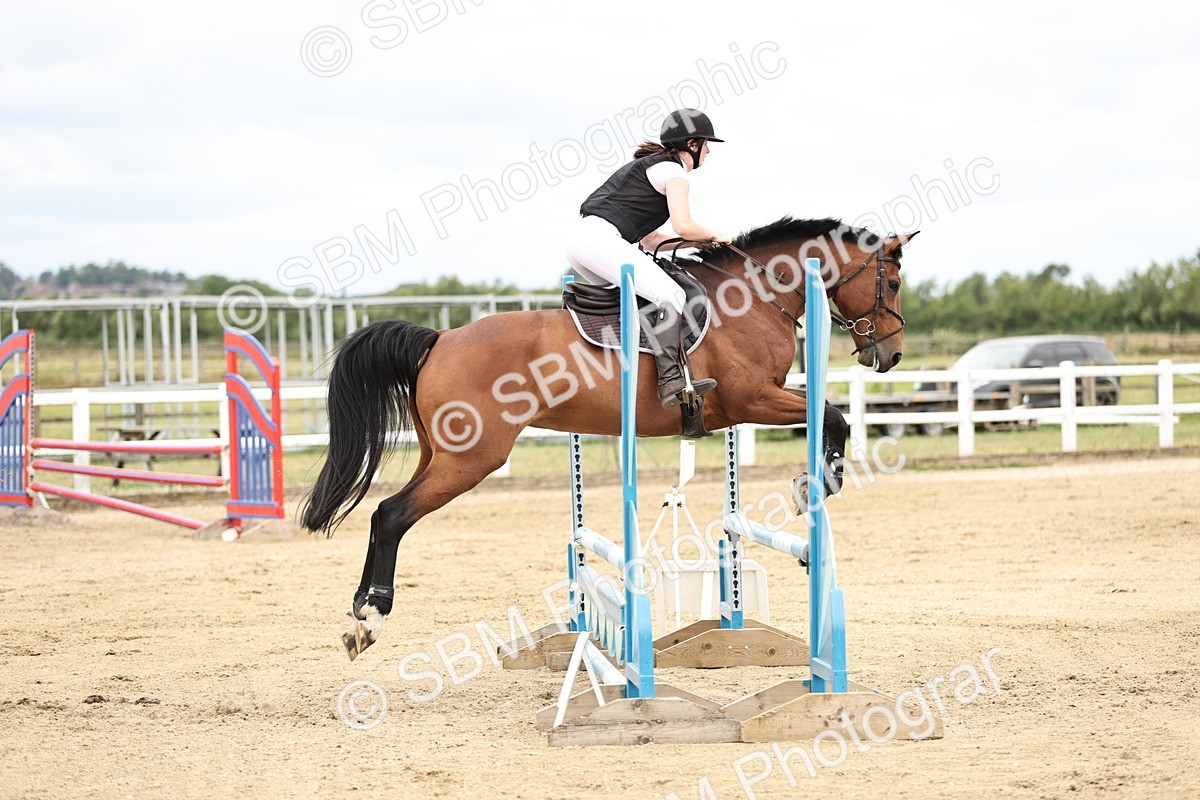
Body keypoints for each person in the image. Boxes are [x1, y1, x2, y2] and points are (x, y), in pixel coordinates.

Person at [565, 108, 731, 410]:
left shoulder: (652, 168)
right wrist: (715, 235)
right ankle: (671, 380)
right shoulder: (674, 172)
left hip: (584, 242)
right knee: (672, 294)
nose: (709, 152)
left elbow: (651, 241)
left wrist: (699, 243)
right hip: (600, 240)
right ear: (692, 144)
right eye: (707, 144)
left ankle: (631, 367)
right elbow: (683, 225)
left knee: (642, 301)